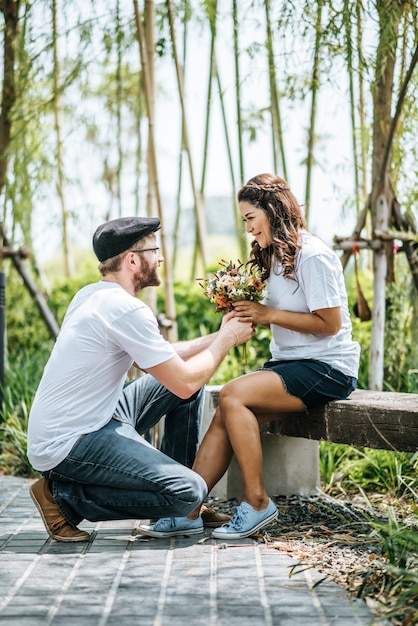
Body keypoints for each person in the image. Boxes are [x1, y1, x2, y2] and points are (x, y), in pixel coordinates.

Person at [139, 173, 360, 540]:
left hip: (328, 368)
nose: (248, 229)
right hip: (292, 364)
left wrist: (268, 314)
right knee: (229, 409)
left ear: (272, 211)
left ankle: (257, 503)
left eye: (250, 219)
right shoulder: (275, 256)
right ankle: (188, 510)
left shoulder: (313, 254)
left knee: (232, 394)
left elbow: (330, 324)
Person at [27, 216, 254, 542]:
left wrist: (216, 336)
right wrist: (227, 339)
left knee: (186, 382)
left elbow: (162, 359)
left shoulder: (92, 295)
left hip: (96, 415)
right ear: (133, 260)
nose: (160, 258)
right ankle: (62, 497)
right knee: (188, 493)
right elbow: (184, 381)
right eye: (155, 250)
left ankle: (179, 505)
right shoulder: (124, 309)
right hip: (69, 441)